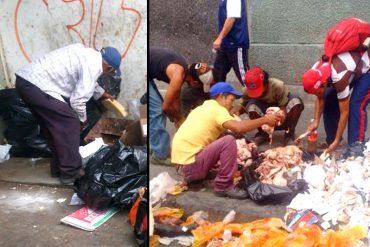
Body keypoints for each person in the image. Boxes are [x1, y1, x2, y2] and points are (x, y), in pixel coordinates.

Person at [15, 43, 120, 185]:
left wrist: (102, 94)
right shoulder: (94, 66)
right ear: (109, 68)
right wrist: (82, 120)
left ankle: (59, 168)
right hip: (36, 86)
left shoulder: (89, 55)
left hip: (25, 82)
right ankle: (70, 172)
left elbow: (88, 82)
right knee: (70, 123)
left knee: (52, 126)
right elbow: (78, 100)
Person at [171, 82, 281, 199]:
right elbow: (238, 127)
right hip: (189, 168)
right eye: (231, 100)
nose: (232, 104)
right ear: (221, 96)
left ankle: (203, 174)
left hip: (181, 166)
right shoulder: (217, 109)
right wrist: (264, 120)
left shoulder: (203, 108)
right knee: (228, 140)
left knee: (223, 136)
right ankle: (223, 186)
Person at [149, 47, 210, 165]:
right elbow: (166, 107)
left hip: (148, 68)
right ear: (195, 82)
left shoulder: (184, 69)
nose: (200, 90)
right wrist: (178, 118)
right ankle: (160, 155)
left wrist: (178, 117)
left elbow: (175, 98)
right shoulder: (177, 77)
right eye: (200, 86)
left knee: (147, 107)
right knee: (157, 111)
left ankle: (151, 143)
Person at [302, 49, 370, 154]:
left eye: (317, 92)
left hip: (367, 69)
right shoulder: (316, 70)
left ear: (324, 83)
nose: (317, 95)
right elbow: (320, 96)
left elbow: (344, 112)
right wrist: (315, 121)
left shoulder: (339, 76)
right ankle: (332, 142)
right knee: (328, 98)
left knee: (356, 104)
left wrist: (337, 140)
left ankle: (356, 145)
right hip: (353, 69)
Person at [235, 67, 304, 145]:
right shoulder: (246, 90)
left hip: (279, 112)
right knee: (251, 107)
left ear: (266, 82)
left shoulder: (278, 86)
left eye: (258, 89)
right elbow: (243, 106)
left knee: (296, 102)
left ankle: (289, 134)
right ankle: (263, 134)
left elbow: (283, 107)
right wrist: (236, 114)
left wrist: (279, 117)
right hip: (263, 113)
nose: (257, 93)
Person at [213, 0, 249, 86]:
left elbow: (231, 19)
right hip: (225, 44)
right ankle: (218, 97)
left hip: (236, 44)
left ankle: (259, 97)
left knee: (245, 78)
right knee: (217, 74)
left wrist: (219, 38)